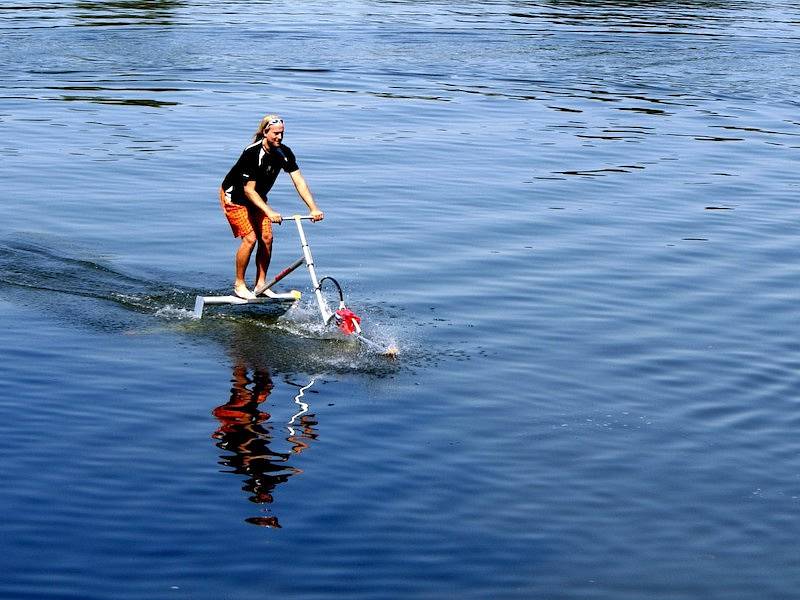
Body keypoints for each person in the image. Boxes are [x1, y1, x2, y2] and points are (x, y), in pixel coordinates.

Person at [219, 114, 324, 299]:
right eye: (276, 134)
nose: (280, 138)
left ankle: (261, 285)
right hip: (235, 197)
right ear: (265, 132)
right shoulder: (252, 153)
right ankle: (239, 285)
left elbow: (299, 181)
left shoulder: (284, 152)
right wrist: (269, 211)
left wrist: (313, 208)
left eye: (282, 134)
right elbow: (249, 191)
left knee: (266, 237)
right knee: (251, 238)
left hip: (257, 198)